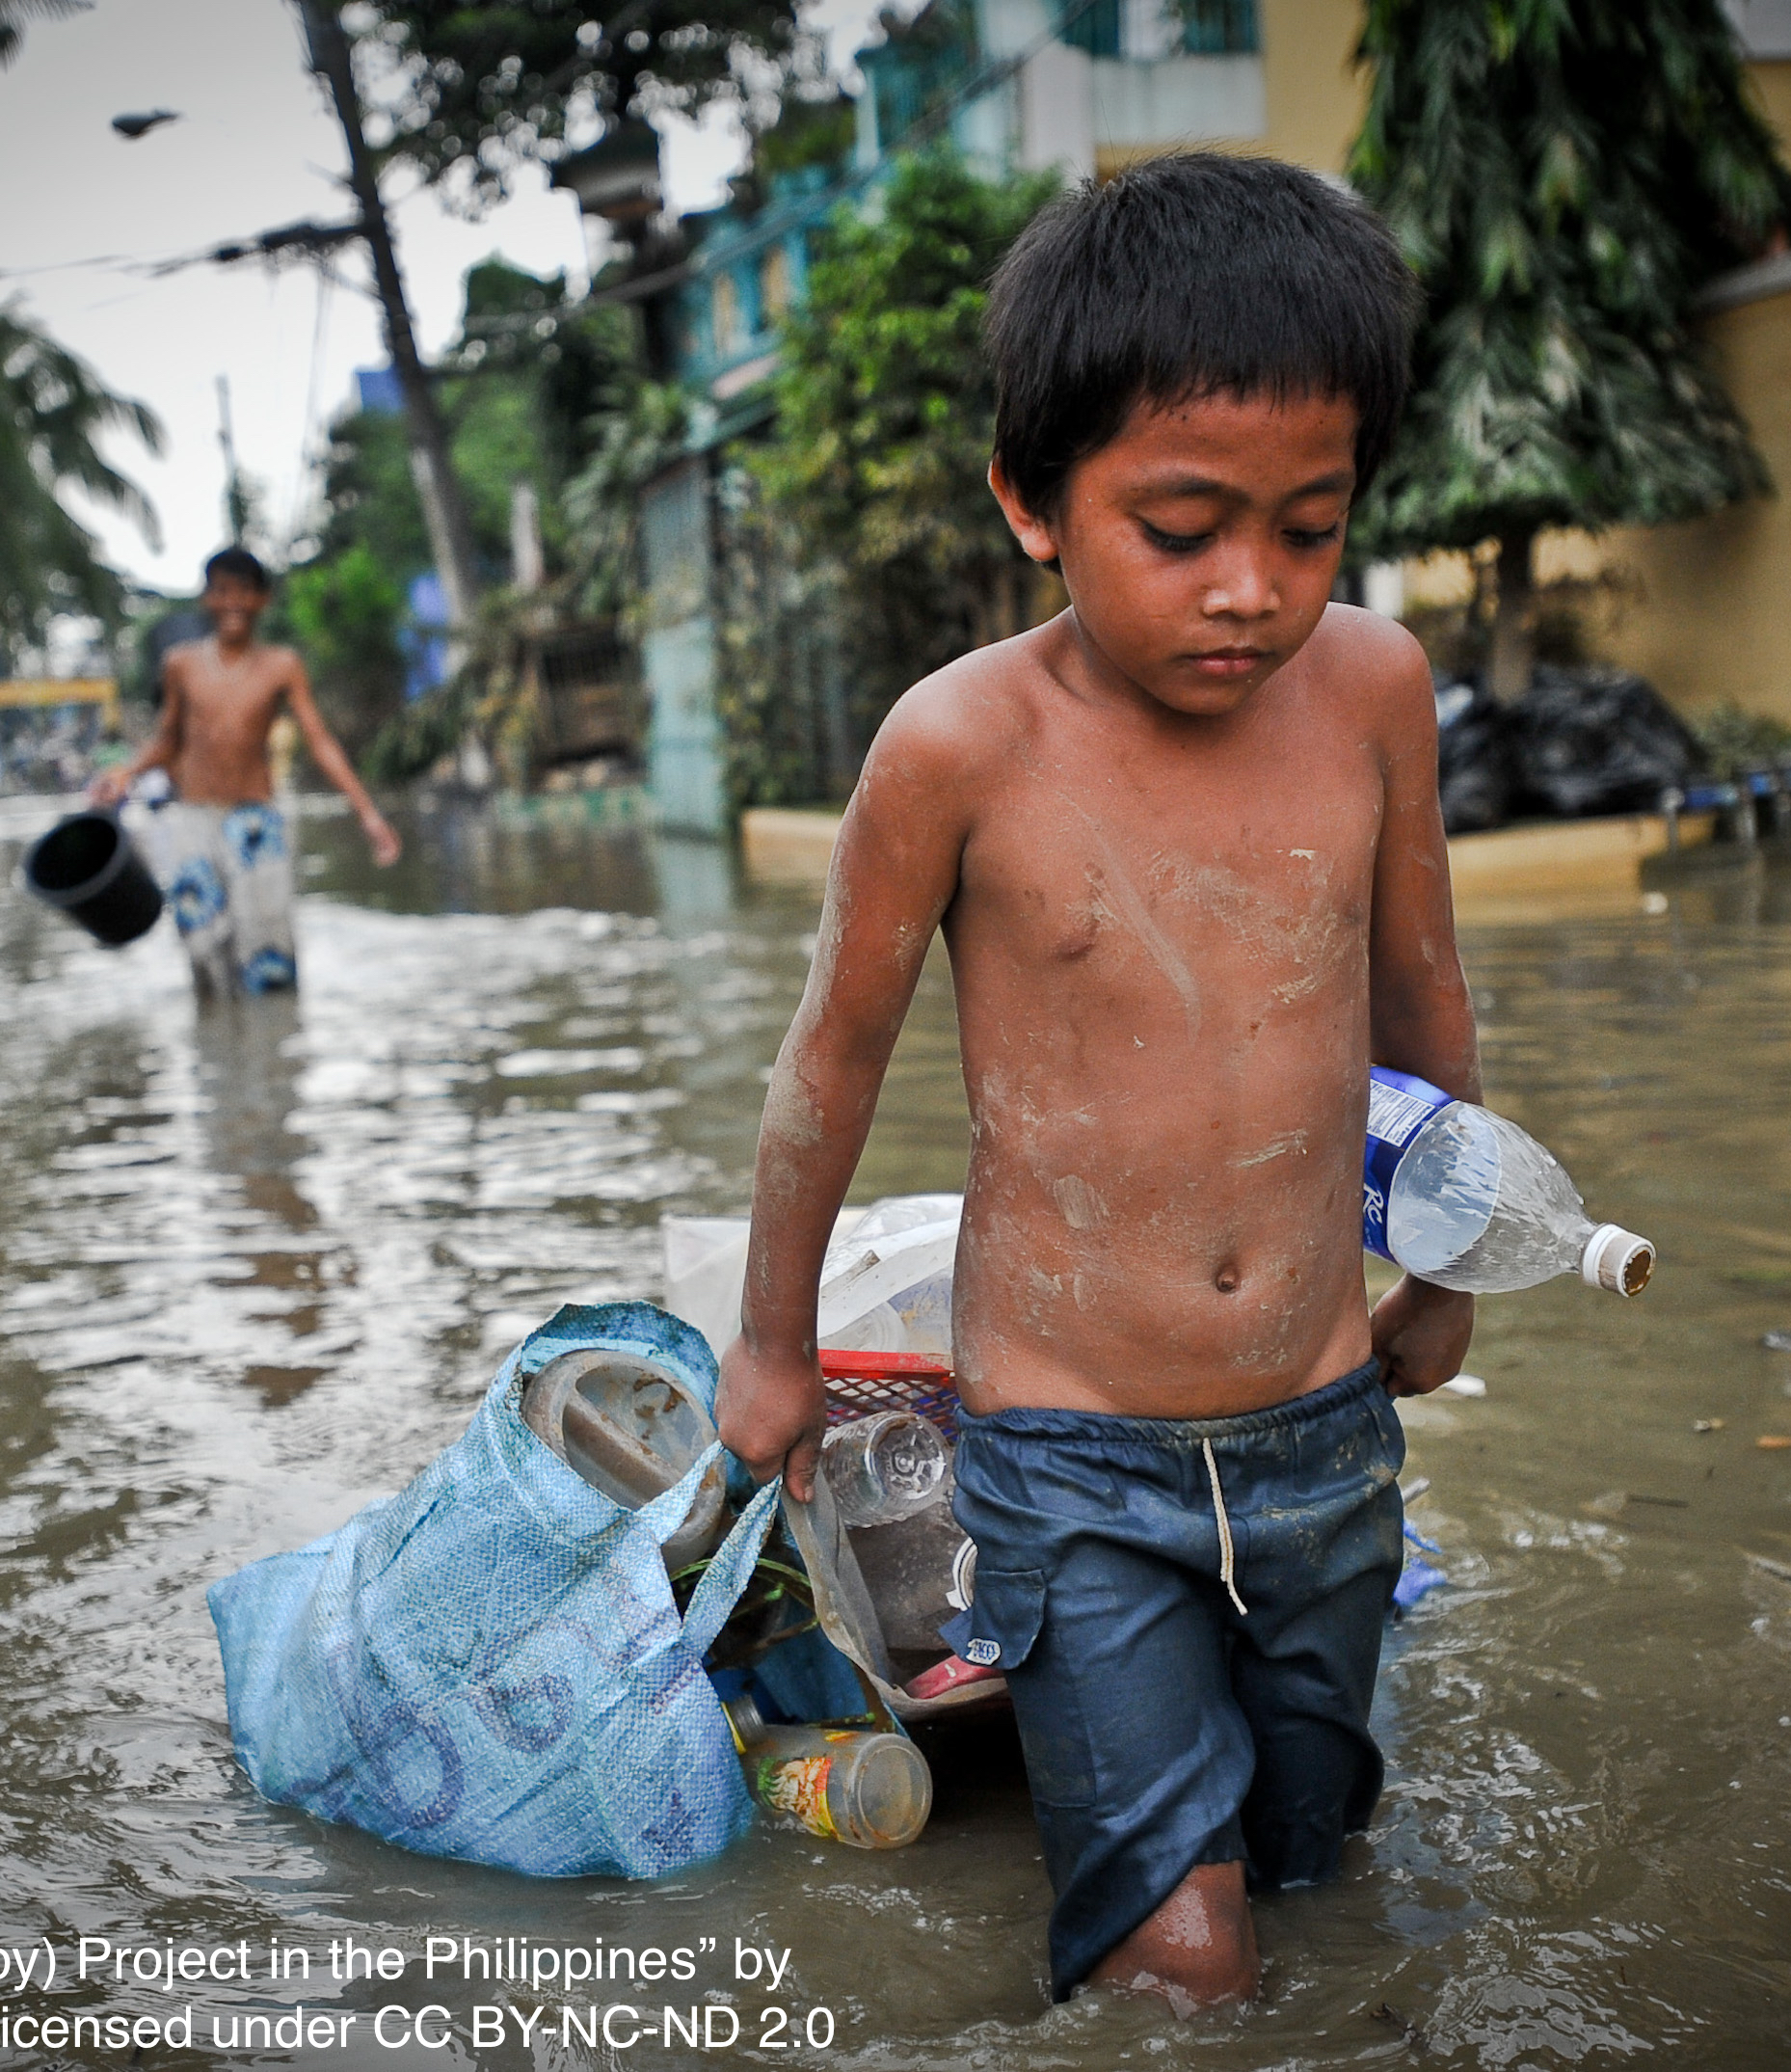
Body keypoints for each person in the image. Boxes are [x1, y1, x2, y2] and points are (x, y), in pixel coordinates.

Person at [713, 154, 1470, 2013]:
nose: (1251, 589)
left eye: (1308, 526)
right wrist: (770, 1342)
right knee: (1187, 1958)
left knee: (1321, 1868)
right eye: (1183, 525)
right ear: (1030, 501)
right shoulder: (957, 745)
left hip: (1319, 1426)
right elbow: (830, 1060)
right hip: (1068, 1451)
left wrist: (1446, 1262)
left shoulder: (1372, 690)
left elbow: (1421, 994)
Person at [89, 548, 403, 996]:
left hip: (255, 820)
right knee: (200, 944)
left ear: (262, 600)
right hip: (194, 818)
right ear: (207, 600)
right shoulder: (181, 663)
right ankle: (219, 1051)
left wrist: (368, 814)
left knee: (268, 949)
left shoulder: (281, 665)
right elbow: (167, 741)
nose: (231, 601)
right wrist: (126, 773)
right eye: (220, 591)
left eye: (242, 591)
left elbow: (320, 741)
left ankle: (275, 1053)